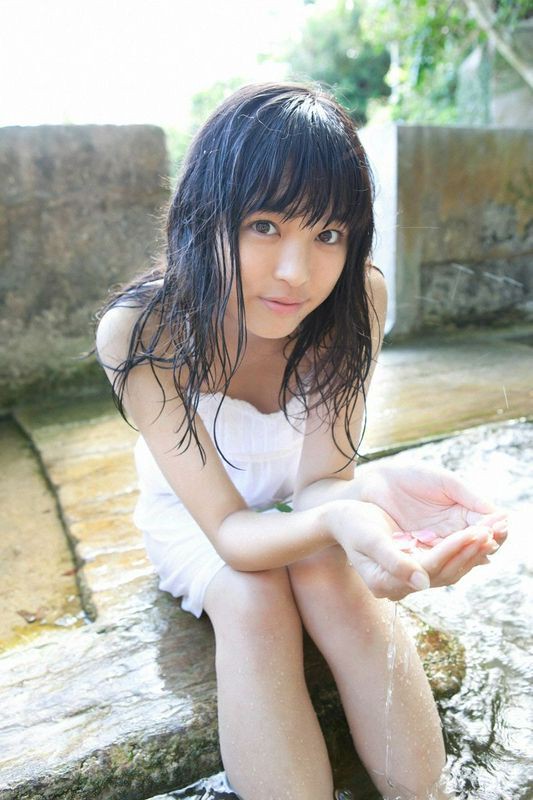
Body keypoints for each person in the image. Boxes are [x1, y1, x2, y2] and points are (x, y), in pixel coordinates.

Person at [95, 83, 507, 800]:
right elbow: (231, 533)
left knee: (330, 576)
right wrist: (340, 518)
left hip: (302, 497)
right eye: (264, 225)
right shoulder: (142, 330)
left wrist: (361, 515)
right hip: (199, 518)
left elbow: (323, 484)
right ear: (205, 216)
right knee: (253, 599)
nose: (296, 272)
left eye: (328, 234)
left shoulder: (358, 298)